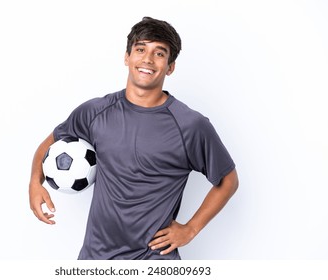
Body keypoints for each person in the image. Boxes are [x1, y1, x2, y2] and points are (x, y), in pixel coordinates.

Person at [29, 17, 239, 260]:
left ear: (170, 67)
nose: (148, 59)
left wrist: (190, 229)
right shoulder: (95, 112)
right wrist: (35, 182)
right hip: (95, 258)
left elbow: (228, 180)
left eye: (159, 53)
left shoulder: (190, 125)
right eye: (140, 49)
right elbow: (50, 143)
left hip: (155, 260)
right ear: (127, 57)